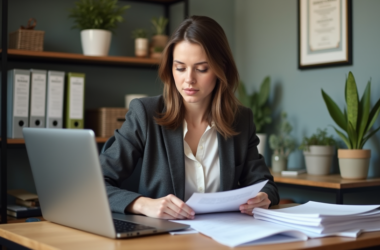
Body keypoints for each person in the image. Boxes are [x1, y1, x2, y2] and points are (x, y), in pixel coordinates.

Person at [100, 15, 279, 220]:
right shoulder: (145, 114)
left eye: (202, 69)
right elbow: (96, 183)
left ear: (222, 69)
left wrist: (264, 197)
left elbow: (265, 185)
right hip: (163, 239)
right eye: (180, 68)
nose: (189, 79)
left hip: (223, 238)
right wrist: (143, 204)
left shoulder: (241, 119)